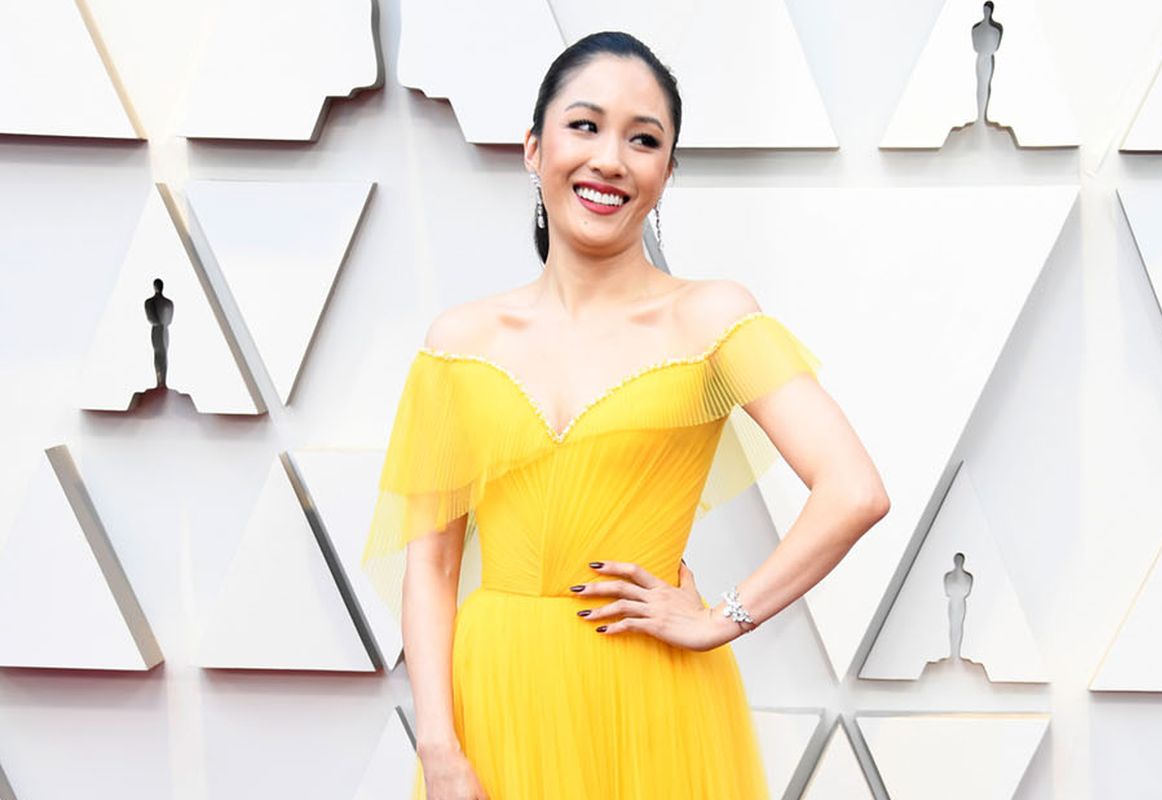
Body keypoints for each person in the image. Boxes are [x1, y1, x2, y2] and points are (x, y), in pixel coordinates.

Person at [361, 30, 889, 800]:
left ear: (665, 174)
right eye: (585, 125)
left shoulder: (710, 318)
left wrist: (719, 617)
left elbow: (854, 490)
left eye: (644, 140)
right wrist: (439, 750)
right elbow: (432, 566)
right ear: (534, 149)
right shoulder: (459, 342)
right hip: (497, 697)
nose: (611, 158)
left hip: (653, 697)